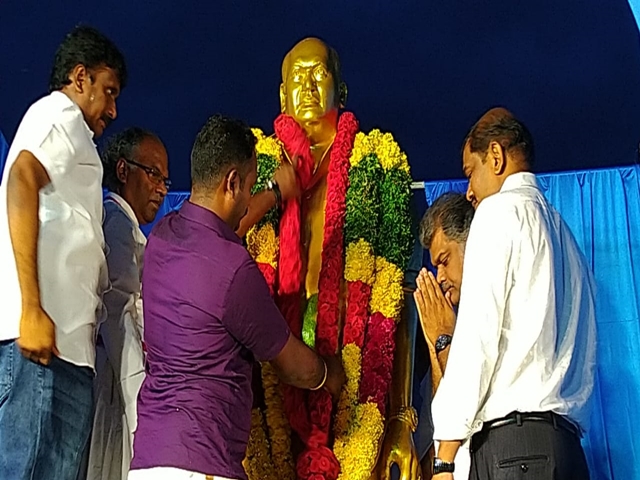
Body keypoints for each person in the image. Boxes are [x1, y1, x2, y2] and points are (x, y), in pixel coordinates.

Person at [129, 115, 345, 480]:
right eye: (247, 187)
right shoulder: (234, 270)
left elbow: (226, 226)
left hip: (148, 459)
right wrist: (331, 374)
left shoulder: (162, 238)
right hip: (201, 464)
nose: (247, 200)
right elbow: (295, 367)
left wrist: (275, 194)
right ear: (231, 182)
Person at [242, 37, 417, 480]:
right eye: (295, 76)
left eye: (318, 72)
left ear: (342, 88)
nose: (307, 85)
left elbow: (397, 305)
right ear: (281, 95)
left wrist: (400, 417)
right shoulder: (255, 167)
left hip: (354, 363)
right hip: (271, 365)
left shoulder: (378, 167)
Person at [428, 108, 597, 479]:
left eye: (471, 172)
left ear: (496, 156)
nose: (469, 191)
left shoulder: (498, 213)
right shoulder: (567, 238)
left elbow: (478, 339)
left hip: (515, 453)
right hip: (568, 452)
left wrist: (445, 458)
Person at [0, 25, 126, 480]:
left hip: (68, 352)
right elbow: (21, 180)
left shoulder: (79, 142)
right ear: (79, 78)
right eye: (107, 92)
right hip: (41, 346)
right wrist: (31, 308)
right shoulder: (59, 115)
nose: (112, 109)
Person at [87, 128, 170, 480]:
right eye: (153, 174)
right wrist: (140, 410)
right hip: (116, 387)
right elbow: (120, 319)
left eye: (166, 180)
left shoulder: (127, 226)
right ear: (123, 171)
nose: (162, 189)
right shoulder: (117, 224)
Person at [413, 192, 474, 479]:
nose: (439, 276)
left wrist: (444, 339)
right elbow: (442, 410)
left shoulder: (491, 310)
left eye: (445, 260)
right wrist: (433, 339)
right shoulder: (449, 312)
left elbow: (469, 404)